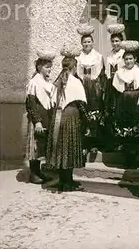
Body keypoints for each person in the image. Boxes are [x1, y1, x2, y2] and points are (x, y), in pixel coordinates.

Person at [46, 45, 92, 192]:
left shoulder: (57, 81)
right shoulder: (76, 81)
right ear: (74, 67)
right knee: (70, 149)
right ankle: (68, 181)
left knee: (61, 149)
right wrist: (87, 122)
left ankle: (63, 181)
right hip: (71, 116)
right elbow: (81, 103)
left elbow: (52, 102)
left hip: (57, 117)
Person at [112, 40, 139, 164]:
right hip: (124, 102)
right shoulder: (119, 73)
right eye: (126, 59)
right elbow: (117, 91)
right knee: (124, 128)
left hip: (135, 102)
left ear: (135, 59)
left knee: (135, 127)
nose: (128, 62)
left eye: (130, 59)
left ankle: (135, 157)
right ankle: (126, 156)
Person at [25, 50, 55, 184]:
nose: (49, 69)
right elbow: (30, 103)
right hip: (37, 119)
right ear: (39, 67)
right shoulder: (34, 82)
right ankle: (33, 174)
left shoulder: (46, 82)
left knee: (42, 145)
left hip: (46, 117)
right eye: (47, 67)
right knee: (35, 146)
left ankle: (39, 172)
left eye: (50, 67)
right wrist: (36, 121)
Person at [76, 24, 106, 151]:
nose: (87, 44)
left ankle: (93, 143)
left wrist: (100, 90)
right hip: (81, 87)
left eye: (89, 41)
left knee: (94, 113)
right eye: (84, 42)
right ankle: (83, 144)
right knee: (82, 112)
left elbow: (102, 75)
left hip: (94, 89)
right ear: (81, 44)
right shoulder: (78, 56)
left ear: (93, 43)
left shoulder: (98, 57)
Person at [104, 23, 125, 151]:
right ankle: (112, 141)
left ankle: (122, 141)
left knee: (119, 110)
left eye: (117, 41)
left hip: (120, 85)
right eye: (113, 41)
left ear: (121, 41)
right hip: (110, 85)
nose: (115, 43)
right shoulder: (109, 55)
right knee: (110, 110)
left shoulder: (124, 54)